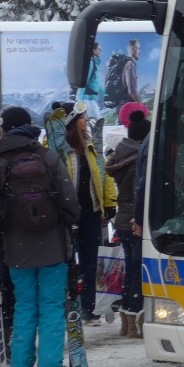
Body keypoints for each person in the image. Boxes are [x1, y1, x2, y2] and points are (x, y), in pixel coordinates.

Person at [0, 106, 80, 367]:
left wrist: (6, 229)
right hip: (52, 240)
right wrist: (69, 220)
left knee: (25, 303)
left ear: (6, 128)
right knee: (51, 303)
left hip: (17, 245)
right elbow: (67, 196)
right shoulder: (47, 156)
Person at [61, 102, 118, 325]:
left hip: (90, 211)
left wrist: (109, 202)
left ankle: (88, 307)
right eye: (82, 118)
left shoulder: (89, 147)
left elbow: (104, 177)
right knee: (65, 262)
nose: (86, 121)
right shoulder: (57, 148)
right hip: (65, 214)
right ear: (71, 122)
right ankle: (67, 307)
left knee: (90, 262)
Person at [107, 104, 149, 337]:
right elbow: (140, 193)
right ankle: (135, 321)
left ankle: (126, 320)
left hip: (122, 219)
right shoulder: (139, 160)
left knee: (130, 270)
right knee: (138, 272)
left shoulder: (119, 154)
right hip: (135, 221)